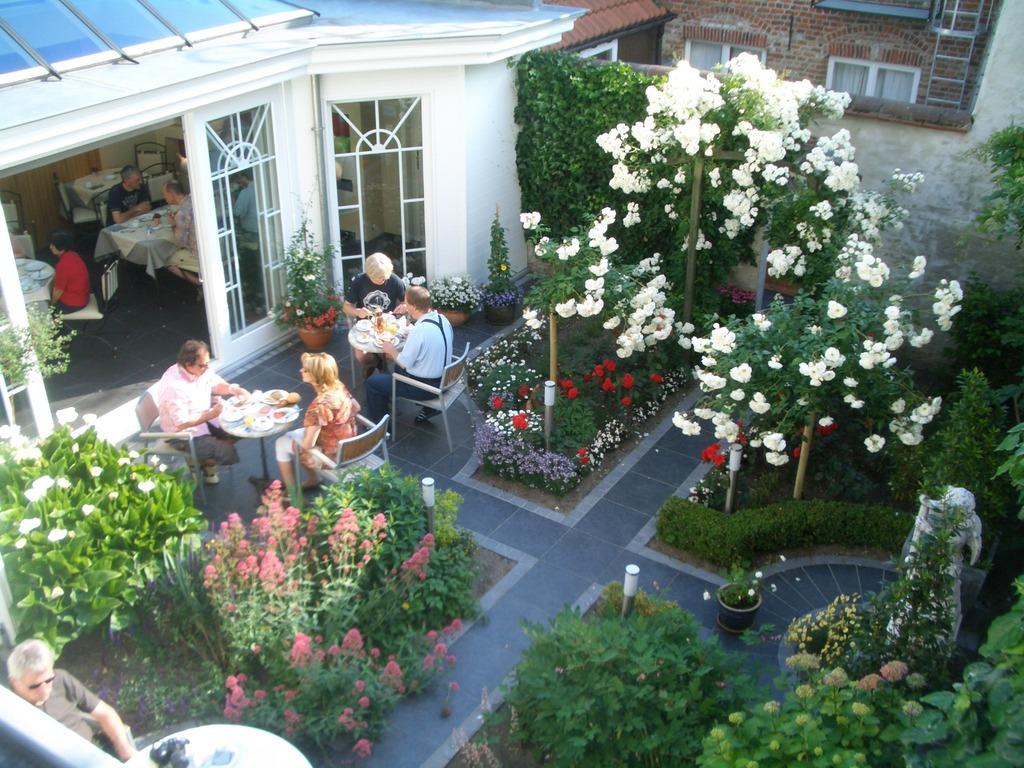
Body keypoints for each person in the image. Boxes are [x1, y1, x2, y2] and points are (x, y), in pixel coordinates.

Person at [7, 639, 137, 761]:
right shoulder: (10, 711)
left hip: (96, 755)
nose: (44, 690)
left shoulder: (61, 679)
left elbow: (105, 713)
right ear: (15, 682)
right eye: (35, 686)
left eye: (48, 680)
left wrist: (125, 751)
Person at [157, 339, 249, 485]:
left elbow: (216, 384)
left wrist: (234, 389)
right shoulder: (174, 386)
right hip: (182, 434)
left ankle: (204, 461)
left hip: (205, 417)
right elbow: (181, 423)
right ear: (188, 364)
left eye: (208, 363)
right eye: (202, 365)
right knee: (226, 451)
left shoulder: (202, 369)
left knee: (242, 427)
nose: (207, 368)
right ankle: (204, 463)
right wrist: (211, 415)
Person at [365, 285, 452, 425]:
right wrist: (411, 338)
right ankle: (425, 409)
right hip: (445, 378)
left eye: (406, 302)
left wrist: (391, 350)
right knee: (397, 369)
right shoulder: (442, 319)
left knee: (373, 383)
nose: (404, 305)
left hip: (427, 388)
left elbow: (405, 363)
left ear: (414, 306)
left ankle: (381, 427)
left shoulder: (420, 330)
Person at [275, 352, 360, 490]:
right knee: (292, 436)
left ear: (317, 376)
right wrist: (338, 422)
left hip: (333, 458)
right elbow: (357, 407)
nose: (301, 370)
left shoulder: (318, 407)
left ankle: (293, 495)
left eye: (306, 370)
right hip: (351, 446)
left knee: (281, 443)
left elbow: (308, 445)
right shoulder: (340, 387)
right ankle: (313, 479)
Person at [343, 252, 406, 379]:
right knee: (361, 356)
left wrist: (404, 307)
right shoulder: (359, 281)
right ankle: (378, 363)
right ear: (369, 274)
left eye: (385, 277)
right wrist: (357, 312)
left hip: (388, 326)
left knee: (392, 354)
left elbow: (407, 302)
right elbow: (346, 307)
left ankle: (380, 364)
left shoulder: (394, 280)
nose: (383, 280)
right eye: (379, 278)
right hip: (366, 326)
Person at [162, 180, 202, 295]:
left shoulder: (181, 213)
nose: (164, 197)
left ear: (171, 194)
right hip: (210, 246)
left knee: (166, 260)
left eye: (165, 194)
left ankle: (200, 284)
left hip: (198, 253)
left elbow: (180, 242)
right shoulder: (193, 199)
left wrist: (174, 225)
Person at [48, 230, 90, 313]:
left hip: (74, 303)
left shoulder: (63, 265)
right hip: (83, 296)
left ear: (61, 248)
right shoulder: (73, 254)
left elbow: (58, 290)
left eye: (53, 245)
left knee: (44, 309)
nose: (50, 247)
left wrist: (51, 305)